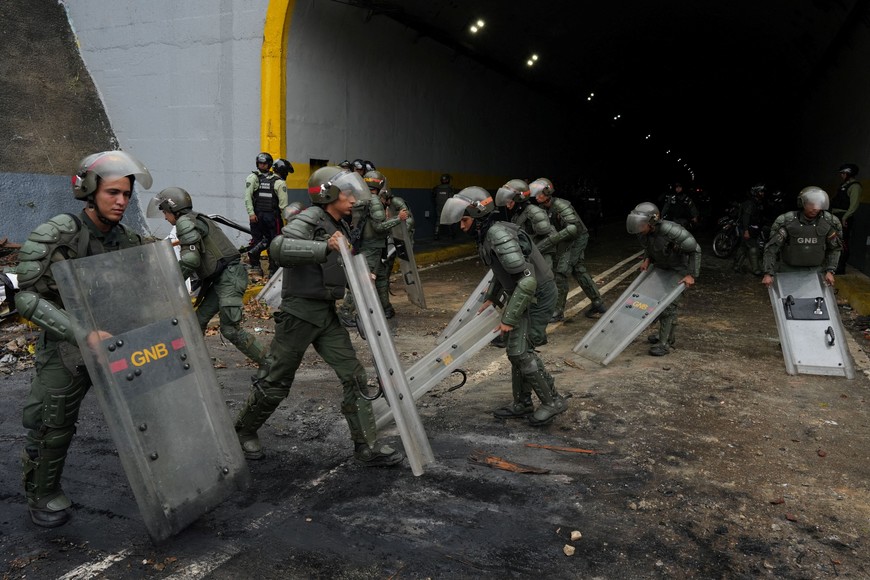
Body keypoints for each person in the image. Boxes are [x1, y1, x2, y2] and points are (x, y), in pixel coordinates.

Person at [13, 151, 152, 527]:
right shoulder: (58, 234)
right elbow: (26, 296)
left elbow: (148, 288)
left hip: (118, 343)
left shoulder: (130, 239)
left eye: (126, 193)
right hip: (68, 345)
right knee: (51, 424)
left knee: (155, 411)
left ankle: (169, 485)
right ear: (90, 191)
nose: (121, 201)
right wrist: (81, 332)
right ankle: (42, 494)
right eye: (113, 193)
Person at [233, 166, 403, 467]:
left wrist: (360, 277)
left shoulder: (340, 223)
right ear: (328, 194)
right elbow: (279, 247)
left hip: (325, 312)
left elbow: (336, 266)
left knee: (354, 375)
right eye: (347, 193)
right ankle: (243, 430)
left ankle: (367, 446)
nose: (353, 199)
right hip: (299, 313)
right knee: (276, 380)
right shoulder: (312, 218)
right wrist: (325, 246)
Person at [440, 186, 566, 426]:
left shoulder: (498, 234)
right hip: (523, 292)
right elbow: (501, 271)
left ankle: (553, 401)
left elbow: (527, 279)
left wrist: (508, 318)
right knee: (516, 351)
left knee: (521, 351)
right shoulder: (486, 235)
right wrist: (491, 297)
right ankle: (522, 403)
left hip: (537, 295)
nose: (460, 225)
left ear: (477, 216)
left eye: (463, 219)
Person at [152, 187, 269, 368]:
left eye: (165, 212)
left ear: (173, 209)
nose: (165, 217)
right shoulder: (197, 218)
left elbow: (190, 260)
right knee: (197, 322)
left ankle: (271, 366)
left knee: (230, 329)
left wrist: (169, 282)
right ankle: (197, 365)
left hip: (228, 277)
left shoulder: (184, 222)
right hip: (223, 277)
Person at [626, 202, 701, 356]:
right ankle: (663, 335)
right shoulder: (643, 233)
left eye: (642, 224)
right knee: (654, 302)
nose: (639, 227)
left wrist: (691, 275)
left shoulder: (670, 230)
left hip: (679, 269)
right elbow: (649, 247)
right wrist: (647, 259)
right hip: (661, 266)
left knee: (668, 306)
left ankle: (665, 343)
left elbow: (695, 249)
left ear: (652, 222)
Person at [531, 177, 606, 321]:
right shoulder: (542, 208)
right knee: (578, 269)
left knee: (561, 272)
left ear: (548, 192)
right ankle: (598, 302)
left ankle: (558, 311)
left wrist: (553, 241)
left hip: (577, 238)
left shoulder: (560, 205)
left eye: (539, 193)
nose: (537, 196)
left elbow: (574, 229)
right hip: (565, 239)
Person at [337, 170, 408, 323]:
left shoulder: (361, 197)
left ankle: (385, 308)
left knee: (381, 278)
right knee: (363, 280)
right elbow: (379, 227)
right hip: (372, 247)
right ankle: (345, 312)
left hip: (370, 245)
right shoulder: (374, 200)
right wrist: (398, 219)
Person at [762, 186, 843, 289]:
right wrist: (768, 273)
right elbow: (772, 248)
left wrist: (830, 271)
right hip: (788, 271)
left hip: (816, 272)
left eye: (818, 204)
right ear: (802, 203)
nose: (815, 208)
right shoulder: (788, 222)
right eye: (811, 204)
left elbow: (835, 248)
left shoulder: (828, 222)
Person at [494, 179, 556, 271]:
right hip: (530, 254)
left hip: (543, 255)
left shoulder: (534, 212)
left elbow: (547, 235)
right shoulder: (517, 214)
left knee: (546, 282)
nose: (507, 205)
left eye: (510, 202)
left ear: (519, 199)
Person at [244, 152, 285, 277]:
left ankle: (273, 269)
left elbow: (282, 203)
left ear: (269, 164)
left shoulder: (276, 180)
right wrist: (251, 213)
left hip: (272, 216)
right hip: (257, 216)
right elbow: (247, 197)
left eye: (264, 163)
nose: (262, 165)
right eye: (260, 163)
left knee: (274, 241)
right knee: (257, 240)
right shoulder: (253, 178)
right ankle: (255, 267)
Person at [379, 181, 415, 291]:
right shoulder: (382, 206)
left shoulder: (397, 202)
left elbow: (409, 219)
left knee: (407, 261)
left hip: (404, 235)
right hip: (392, 235)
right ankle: (385, 283)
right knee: (388, 260)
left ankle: (412, 285)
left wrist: (400, 230)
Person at [832, 163, 862, 275]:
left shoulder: (855, 186)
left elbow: (854, 205)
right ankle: (832, 265)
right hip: (836, 216)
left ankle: (840, 268)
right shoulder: (844, 185)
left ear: (849, 174)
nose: (842, 175)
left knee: (842, 242)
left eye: (844, 173)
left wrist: (845, 217)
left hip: (844, 217)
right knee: (833, 241)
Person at [732, 183, 766, 275]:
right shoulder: (750, 203)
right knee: (753, 248)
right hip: (747, 229)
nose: (762, 193)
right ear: (755, 192)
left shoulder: (757, 203)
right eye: (760, 191)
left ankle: (736, 266)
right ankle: (756, 269)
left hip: (753, 229)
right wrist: (746, 231)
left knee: (743, 247)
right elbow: (745, 217)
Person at [432, 173, 455, 241]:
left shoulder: (436, 188)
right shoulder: (450, 188)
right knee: (449, 220)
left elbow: (433, 196)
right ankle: (451, 235)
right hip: (447, 206)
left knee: (438, 220)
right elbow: (452, 197)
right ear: (448, 180)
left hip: (439, 206)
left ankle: (436, 234)